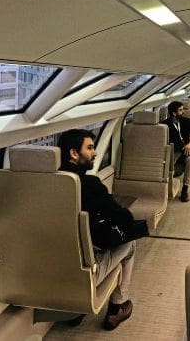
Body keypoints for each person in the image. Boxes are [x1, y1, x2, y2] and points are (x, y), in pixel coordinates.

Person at [58, 129, 141, 331]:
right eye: (90, 147)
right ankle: (117, 306)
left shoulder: (45, 184)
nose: (95, 153)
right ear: (73, 154)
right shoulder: (89, 184)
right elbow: (123, 217)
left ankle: (76, 311)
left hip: (45, 269)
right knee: (129, 243)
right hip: (83, 273)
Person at [161, 101, 190, 202]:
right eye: (180, 110)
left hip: (186, 150)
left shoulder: (186, 121)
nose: (183, 112)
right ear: (174, 113)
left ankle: (185, 189)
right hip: (174, 154)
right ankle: (186, 152)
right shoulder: (164, 126)